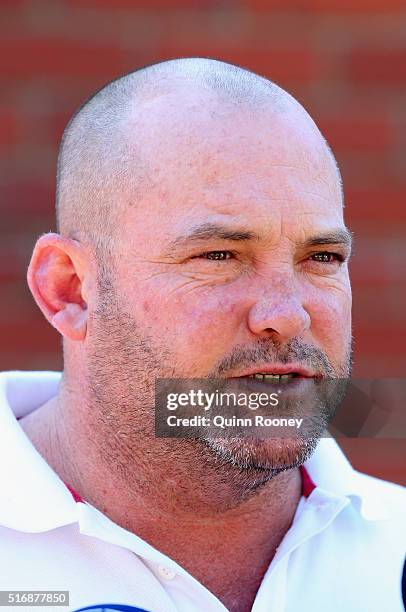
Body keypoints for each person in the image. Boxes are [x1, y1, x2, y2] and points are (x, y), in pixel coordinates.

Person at [0, 58, 404, 612]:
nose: (286, 315)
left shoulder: (395, 555)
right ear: (70, 289)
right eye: (219, 256)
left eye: (323, 257)